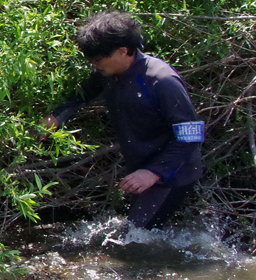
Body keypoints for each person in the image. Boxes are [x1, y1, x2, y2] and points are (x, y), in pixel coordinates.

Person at [42, 12, 205, 229]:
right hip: (141, 168)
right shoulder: (108, 72)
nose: (93, 65)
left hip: (173, 174)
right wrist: (57, 116)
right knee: (142, 234)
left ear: (123, 51)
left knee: (134, 240)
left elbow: (191, 136)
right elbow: (83, 94)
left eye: (98, 59)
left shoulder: (161, 81)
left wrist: (153, 173)